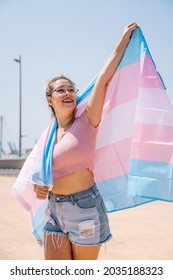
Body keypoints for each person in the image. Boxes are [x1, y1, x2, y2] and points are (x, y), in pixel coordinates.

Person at [34, 22, 138, 260]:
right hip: (54, 210)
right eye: (61, 90)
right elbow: (41, 178)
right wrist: (39, 188)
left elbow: (102, 79)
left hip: (85, 209)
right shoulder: (48, 137)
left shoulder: (87, 121)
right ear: (49, 99)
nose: (68, 93)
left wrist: (123, 39)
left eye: (71, 89)